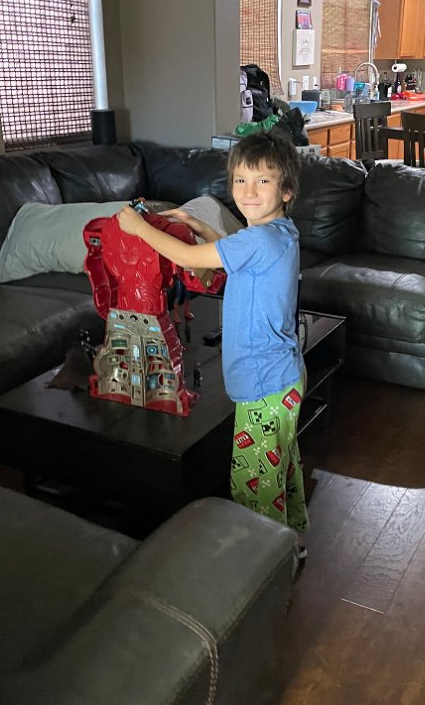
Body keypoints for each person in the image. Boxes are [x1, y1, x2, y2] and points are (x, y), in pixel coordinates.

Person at [116, 131, 309, 554]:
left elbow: (187, 258)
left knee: (254, 483)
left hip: (263, 382)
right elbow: (232, 253)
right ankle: (293, 540)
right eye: (240, 180)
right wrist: (200, 226)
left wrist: (137, 227)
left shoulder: (259, 239)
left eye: (263, 181)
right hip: (283, 377)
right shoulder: (279, 233)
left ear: (287, 190)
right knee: (280, 465)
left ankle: (267, 563)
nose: (249, 191)